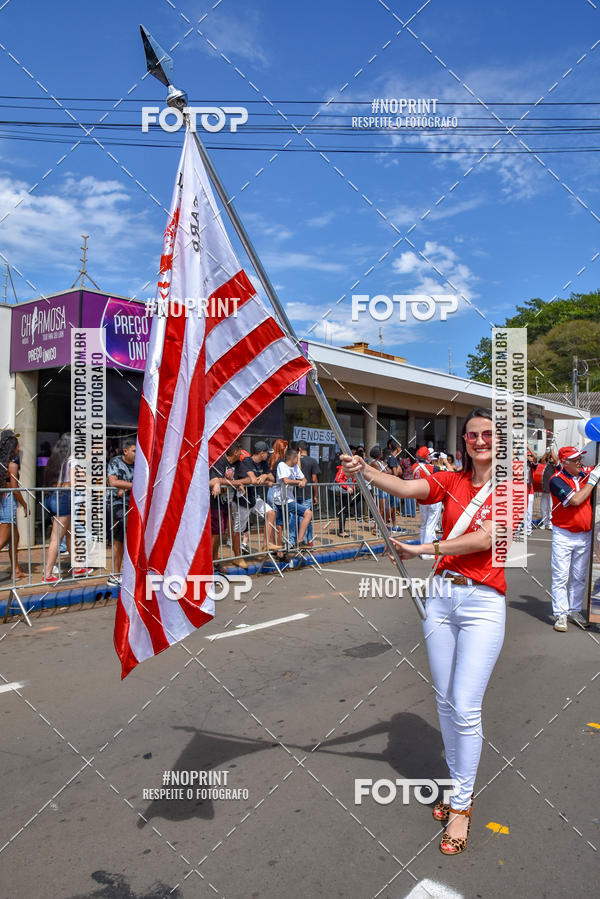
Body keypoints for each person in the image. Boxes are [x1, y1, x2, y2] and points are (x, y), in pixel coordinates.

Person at [342, 407, 509, 856]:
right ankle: (457, 786)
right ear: (464, 442)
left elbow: (486, 538)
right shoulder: (450, 481)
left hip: (482, 603)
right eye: (473, 435)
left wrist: (424, 548)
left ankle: (461, 805)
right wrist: (366, 470)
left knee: (467, 706)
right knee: (445, 700)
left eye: (488, 434)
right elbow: (403, 485)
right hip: (439, 597)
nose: (479, 441)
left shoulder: (511, 487)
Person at [548, 446, 600, 632]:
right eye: (575, 459)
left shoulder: (584, 474)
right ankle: (560, 613)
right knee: (561, 575)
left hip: (585, 534)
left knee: (579, 576)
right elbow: (576, 500)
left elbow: (593, 470)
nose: (580, 462)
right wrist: (592, 482)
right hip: (564, 534)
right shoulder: (556, 480)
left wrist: (593, 474)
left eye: (580, 458)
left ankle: (574, 610)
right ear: (564, 462)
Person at [43, 433, 89, 582]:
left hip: (52, 497)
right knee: (56, 538)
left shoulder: (55, 460)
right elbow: (75, 482)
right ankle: (47, 575)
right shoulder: (73, 460)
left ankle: (77, 567)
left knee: (69, 533)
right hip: (64, 498)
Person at [236, 441, 279, 551]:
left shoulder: (264, 463)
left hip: (254, 498)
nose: (268, 455)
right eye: (266, 453)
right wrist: (265, 479)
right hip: (243, 499)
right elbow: (254, 480)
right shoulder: (247, 461)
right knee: (238, 529)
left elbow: (273, 479)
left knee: (271, 513)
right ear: (261, 453)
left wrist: (265, 475)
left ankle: (266, 544)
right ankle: (236, 553)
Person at [106, 439, 136, 585]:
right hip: (117, 505)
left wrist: (125, 487)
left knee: (129, 538)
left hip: (134, 504)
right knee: (121, 537)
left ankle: (126, 572)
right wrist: (133, 485)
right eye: (134, 451)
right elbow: (113, 482)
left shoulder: (140, 464)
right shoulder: (115, 462)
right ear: (126, 451)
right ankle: (115, 574)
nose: (137, 454)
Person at [0, 430, 28, 582]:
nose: (19, 449)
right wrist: (24, 505)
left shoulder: (3, 464)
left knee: (15, 538)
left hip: (3, 502)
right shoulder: (12, 465)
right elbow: (14, 489)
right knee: (2, 540)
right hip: (8, 503)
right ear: (12, 448)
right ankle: (15, 570)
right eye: (17, 446)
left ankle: (16, 570)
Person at [273, 447, 313, 548]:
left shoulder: (295, 467)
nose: (298, 461)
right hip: (282, 499)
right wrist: (299, 482)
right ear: (292, 458)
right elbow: (285, 480)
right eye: (297, 459)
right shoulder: (282, 465)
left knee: (281, 524)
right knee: (308, 513)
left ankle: (282, 550)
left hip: (289, 499)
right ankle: (299, 541)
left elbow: (303, 478)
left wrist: (303, 481)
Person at [412, 446, 442, 557]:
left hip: (421, 498)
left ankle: (423, 549)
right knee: (431, 525)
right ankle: (427, 553)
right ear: (427, 456)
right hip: (433, 498)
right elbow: (443, 472)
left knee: (424, 525)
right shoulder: (433, 468)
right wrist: (438, 461)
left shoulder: (414, 466)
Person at [295, 440, 319, 545]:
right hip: (307, 494)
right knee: (307, 517)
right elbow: (314, 479)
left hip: (295, 493)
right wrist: (315, 495)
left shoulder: (294, 460)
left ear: (299, 449)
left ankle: (305, 540)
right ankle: (307, 541)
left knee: (301, 518)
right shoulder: (313, 461)